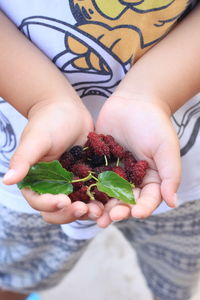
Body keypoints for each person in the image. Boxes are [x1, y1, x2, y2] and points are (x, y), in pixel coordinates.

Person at [0, 1, 200, 300]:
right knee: (16, 271)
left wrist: (153, 95)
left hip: (178, 156)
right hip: (31, 142)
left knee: (174, 269)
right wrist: (42, 100)